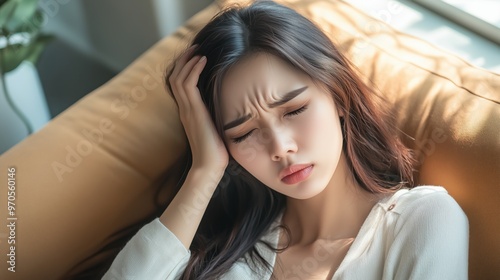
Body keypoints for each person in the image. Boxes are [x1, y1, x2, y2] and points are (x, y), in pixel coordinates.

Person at [103, 1, 469, 279]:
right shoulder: (234, 255)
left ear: (339, 95)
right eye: (244, 133)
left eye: (293, 110)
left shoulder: (421, 221)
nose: (280, 148)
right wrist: (205, 170)